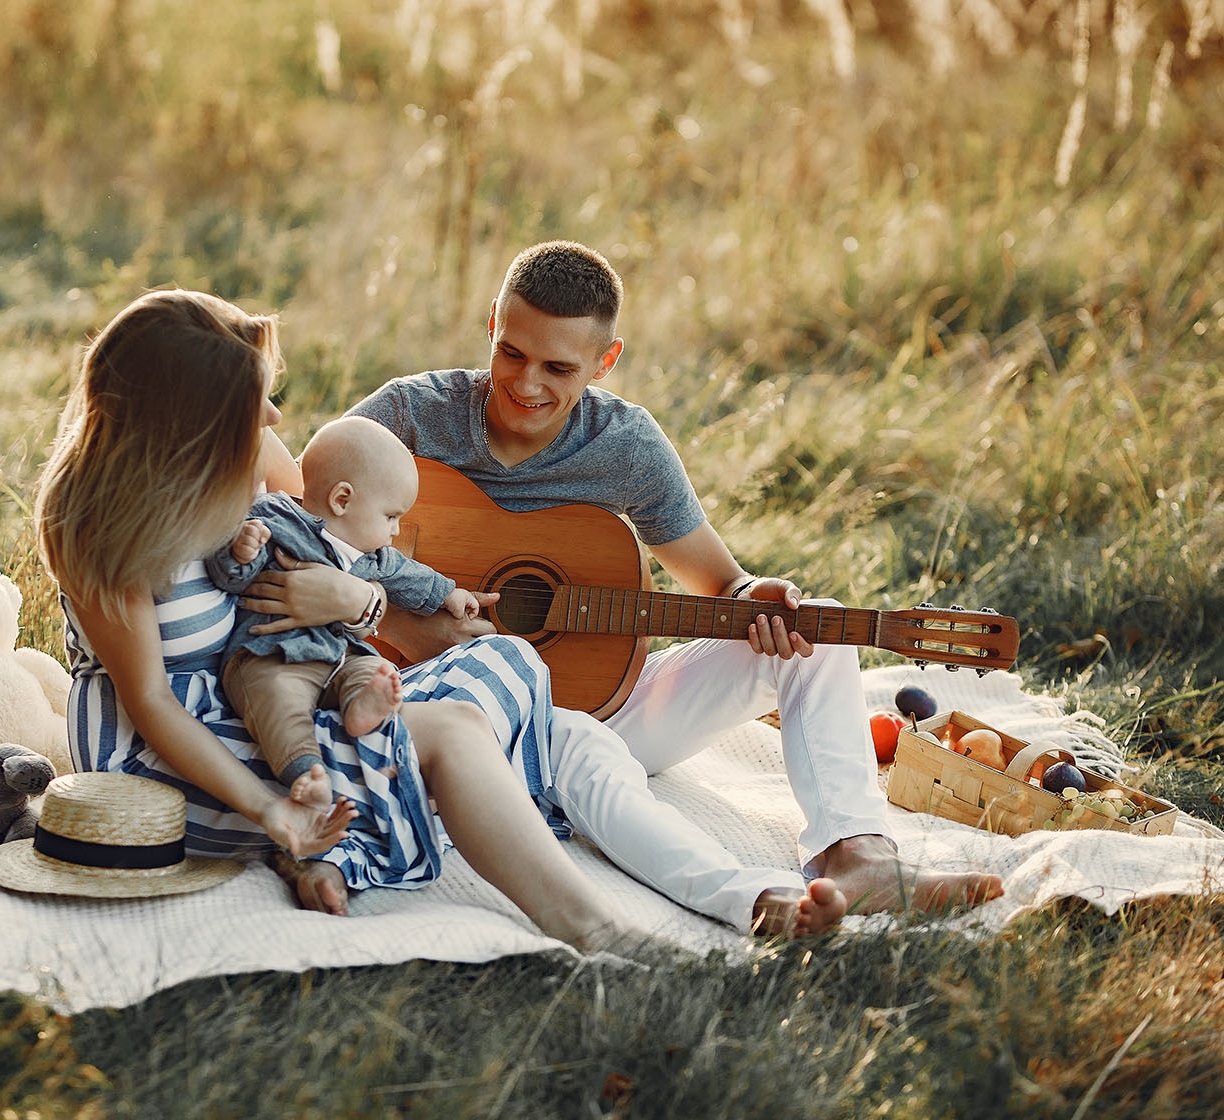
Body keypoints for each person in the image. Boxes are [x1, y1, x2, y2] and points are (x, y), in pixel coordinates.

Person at [337, 240, 1002, 935]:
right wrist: (407, 626)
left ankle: (858, 855)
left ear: (606, 362)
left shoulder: (625, 445)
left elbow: (721, 581)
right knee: (586, 757)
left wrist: (753, 595)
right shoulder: (411, 417)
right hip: (438, 705)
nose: (526, 383)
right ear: (493, 325)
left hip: (597, 707)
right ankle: (750, 899)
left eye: (558, 367)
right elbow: (293, 526)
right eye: (512, 352)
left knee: (817, 629)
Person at [33, 288, 628, 949]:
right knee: (454, 734)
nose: (275, 415)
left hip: (282, 683)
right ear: (191, 423)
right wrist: (271, 810)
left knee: (506, 660)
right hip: (167, 751)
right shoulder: (99, 531)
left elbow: (338, 551)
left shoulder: (252, 454)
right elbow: (149, 703)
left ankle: (347, 840)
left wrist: (358, 603)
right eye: (254, 401)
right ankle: (599, 932)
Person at [207, 416, 481, 810]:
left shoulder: (373, 555)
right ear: (342, 500)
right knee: (277, 703)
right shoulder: (276, 519)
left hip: (339, 655)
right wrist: (241, 552)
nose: (395, 530)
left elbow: (408, 574)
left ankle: (361, 708)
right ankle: (304, 770)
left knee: (370, 671)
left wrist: (449, 593)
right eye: (390, 516)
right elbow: (231, 578)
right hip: (273, 653)